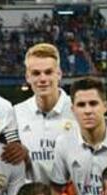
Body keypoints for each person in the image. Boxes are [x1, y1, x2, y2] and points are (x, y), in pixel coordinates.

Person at [14, 43, 74, 184]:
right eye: (36, 73)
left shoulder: (77, 110)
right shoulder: (16, 114)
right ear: (28, 77)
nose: (42, 79)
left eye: (48, 72)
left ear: (59, 74)